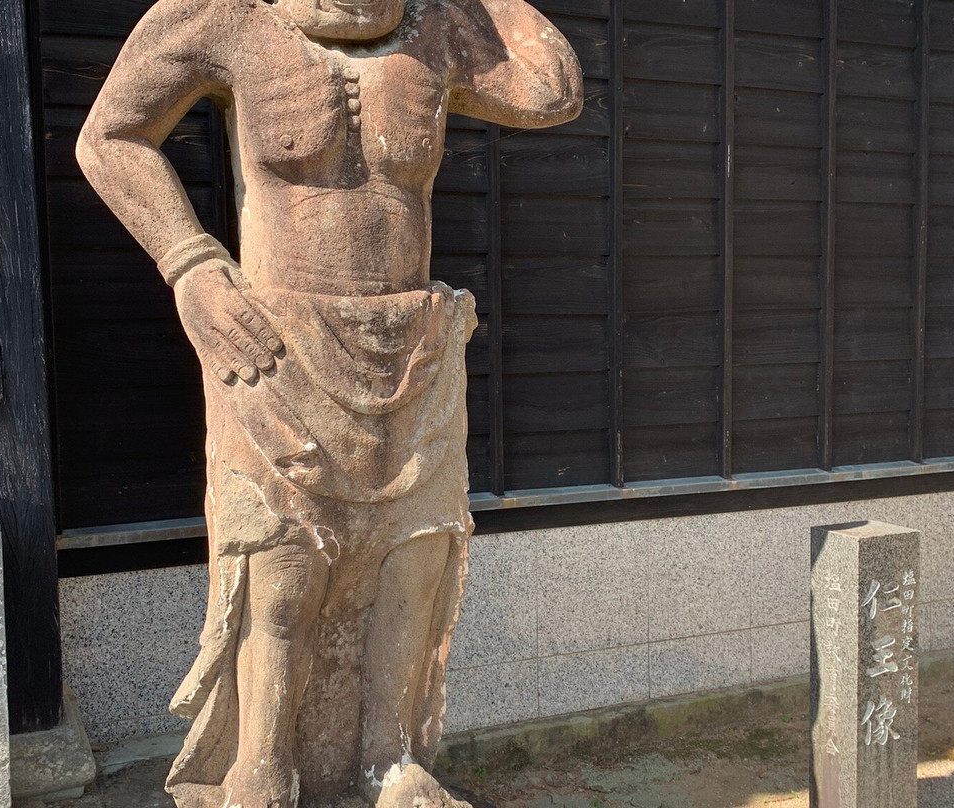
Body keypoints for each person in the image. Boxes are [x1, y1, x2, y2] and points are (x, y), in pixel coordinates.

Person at [76, 1, 581, 806]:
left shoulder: (441, 23)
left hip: (410, 344)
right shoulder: (220, 15)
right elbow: (110, 137)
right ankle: (262, 762)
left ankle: (390, 758)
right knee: (281, 566)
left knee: (413, 555)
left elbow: (552, 90)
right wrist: (191, 265)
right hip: (275, 341)